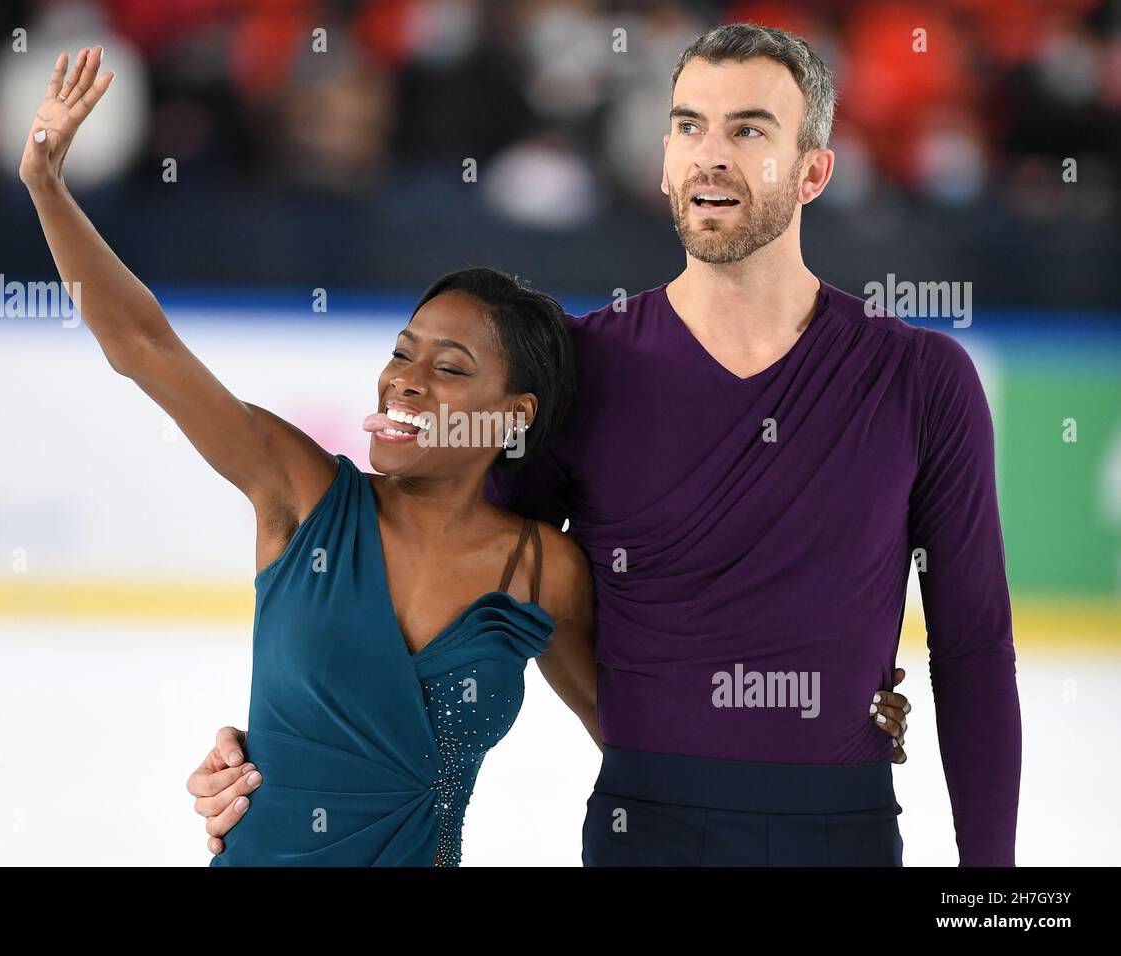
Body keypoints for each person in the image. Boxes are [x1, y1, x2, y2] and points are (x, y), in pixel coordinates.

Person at [194, 22, 1017, 867]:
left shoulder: (922, 379)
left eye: (749, 130)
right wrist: (287, 774)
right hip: (644, 835)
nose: (711, 155)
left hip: (845, 832)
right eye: (690, 125)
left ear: (814, 171)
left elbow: (974, 648)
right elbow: (425, 571)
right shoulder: (577, 372)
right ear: (662, 161)